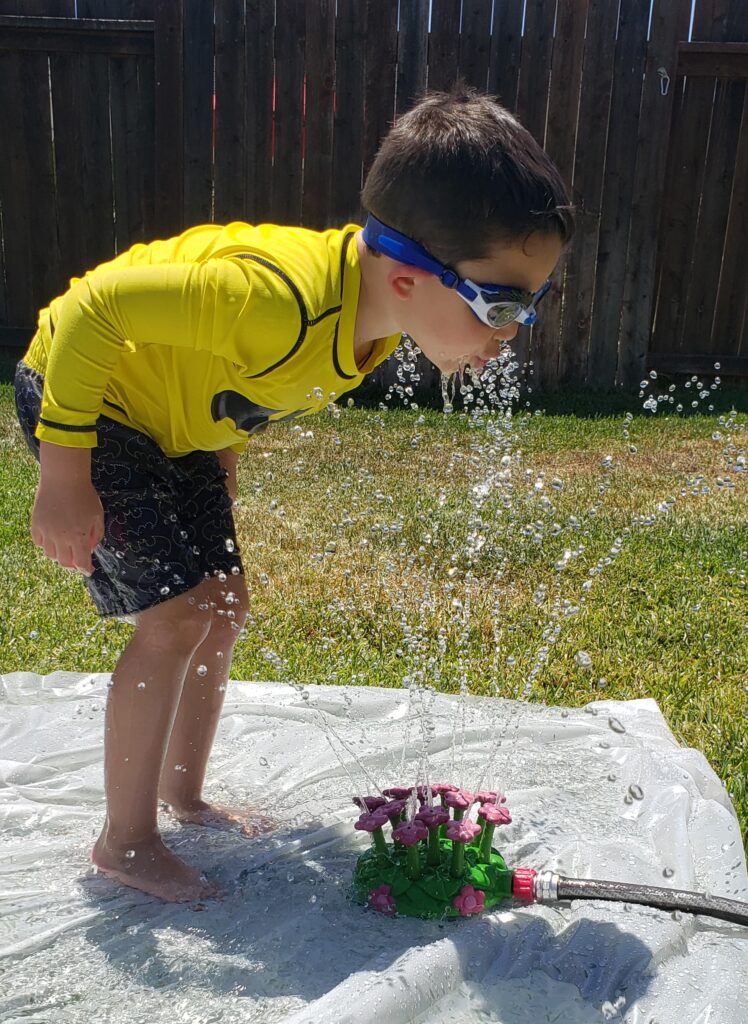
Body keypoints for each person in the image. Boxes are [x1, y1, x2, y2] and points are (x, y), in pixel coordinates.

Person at [14, 85, 573, 902]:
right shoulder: (277, 302)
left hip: (180, 425)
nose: (514, 329)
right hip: (92, 400)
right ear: (412, 276)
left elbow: (244, 382)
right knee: (173, 618)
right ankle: (124, 842)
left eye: (535, 299)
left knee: (224, 603)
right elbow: (94, 311)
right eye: (503, 300)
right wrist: (65, 474)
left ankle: (181, 794)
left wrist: (222, 459)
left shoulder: (376, 327)